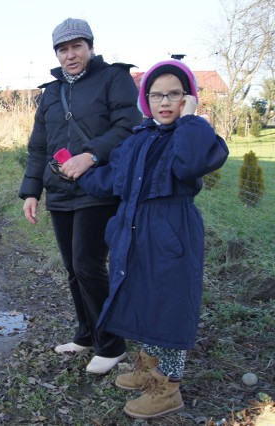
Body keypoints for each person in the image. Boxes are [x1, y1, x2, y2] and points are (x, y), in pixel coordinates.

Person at [75, 59, 229, 418]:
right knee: (141, 296)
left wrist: (192, 118)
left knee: (171, 307)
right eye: (156, 94)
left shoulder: (195, 133)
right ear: (146, 99)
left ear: (187, 97)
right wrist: (77, 175)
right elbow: (115, 178)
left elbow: (191, 165)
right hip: (134, 229)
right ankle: (147, 364)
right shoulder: (140, 137)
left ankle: (167, 387)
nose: (164, 101)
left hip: (172, 231)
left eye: (174, 94)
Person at [18, 18, 142, 374]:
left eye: (76, 47)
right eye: (63, 49)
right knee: (73, 269)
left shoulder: (113, 79)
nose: (70, 55)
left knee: (89, 266)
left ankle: (112, 344)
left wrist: (91, 155)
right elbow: (38, 147)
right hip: (59, 192)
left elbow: (128, 126)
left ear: (89, 46)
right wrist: (31, 192)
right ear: (56, 53)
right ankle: (86, 335)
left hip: (97, 189)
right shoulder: (50, 93)